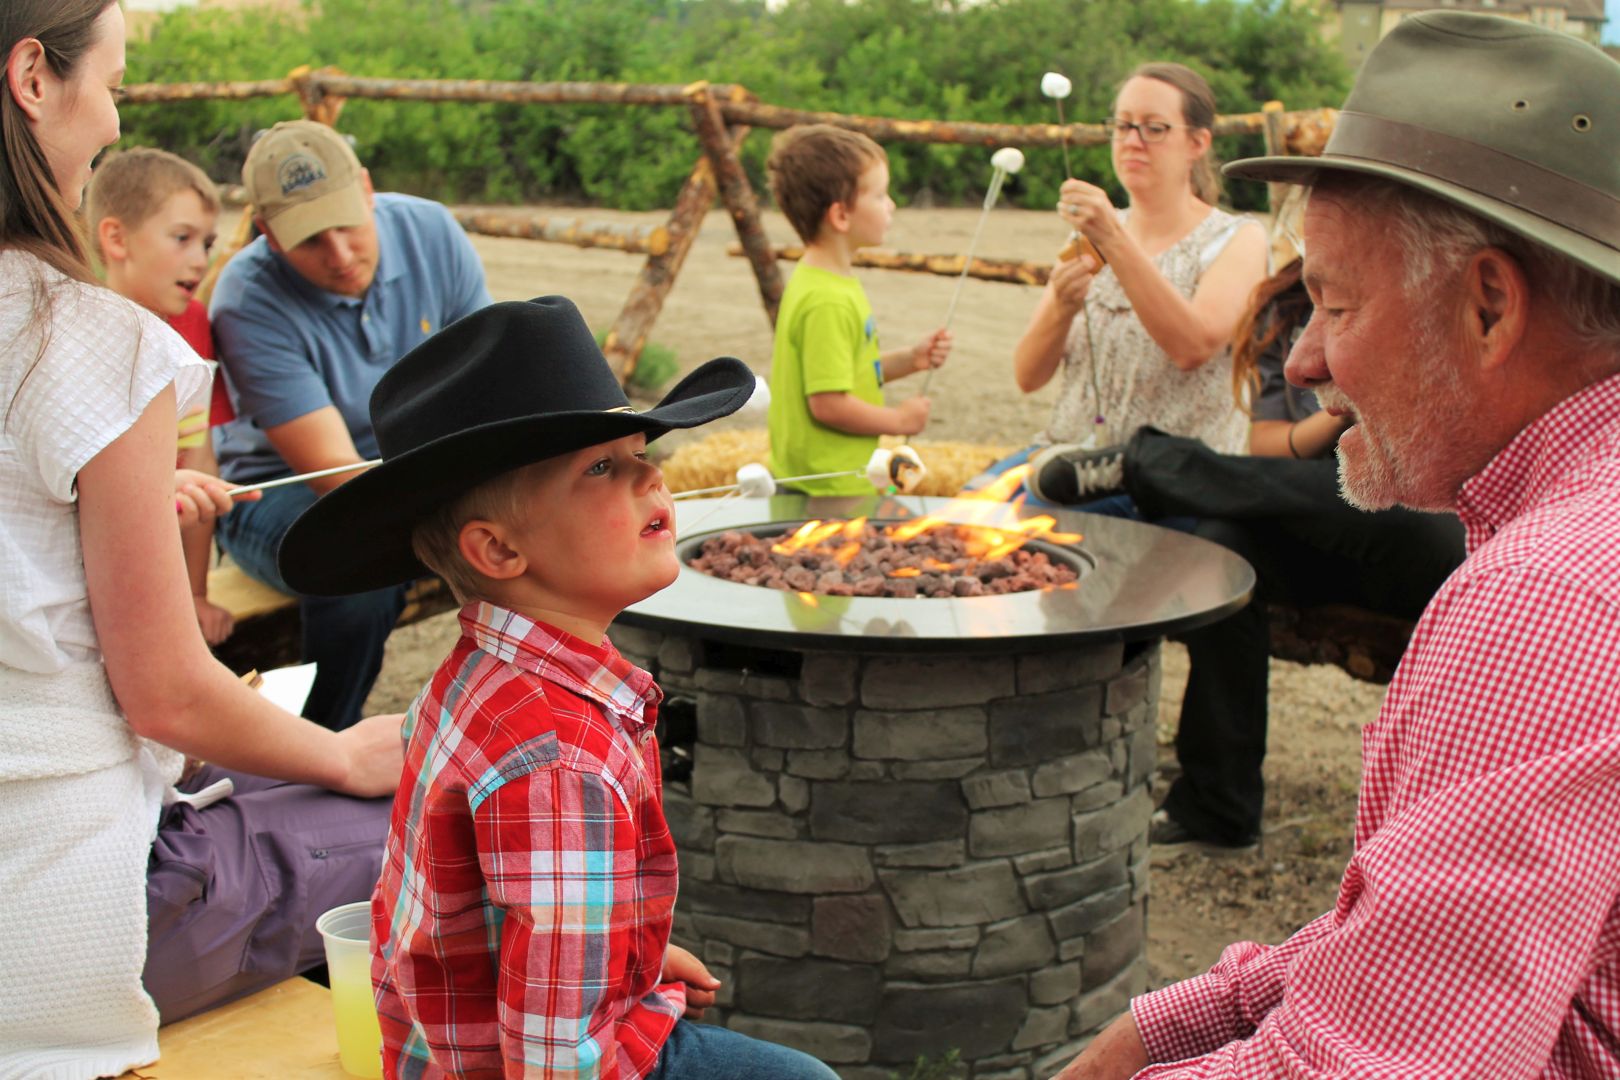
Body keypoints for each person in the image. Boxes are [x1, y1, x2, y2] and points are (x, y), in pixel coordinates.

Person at [1055, 13, 1620, 1077]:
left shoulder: (1546, 600)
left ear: (1489, 305)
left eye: (1336, 303)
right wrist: (1178, 1019)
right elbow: (1420, 933)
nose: (1304, 358)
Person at [277, 296, 840, 1079]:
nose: (652, 473)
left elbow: (503, 916)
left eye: (641, 449)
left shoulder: (476, 675)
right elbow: (554, 1057)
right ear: (500, 548)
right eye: (603, 467)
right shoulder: (558, 757)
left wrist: (624, 953)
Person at [0, 4, 404, 1076]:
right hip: (54, 929)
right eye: (115, 83)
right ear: (34, 78)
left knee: (295, 782)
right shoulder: (77, 341)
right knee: (432, 806)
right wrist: (344, 752)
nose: (111, 121)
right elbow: (165, 694)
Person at [1078, 249, 1465, 854]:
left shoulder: (1447, 296)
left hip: (1439, 543)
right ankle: (1219, 810)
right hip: (1320, 521)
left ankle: (1147, 465)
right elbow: (1266, 443)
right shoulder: (1292, 308)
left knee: (1384, 502)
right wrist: (1339, 410)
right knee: (1221, 549)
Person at [210, 119, 493, 731]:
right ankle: (323, 742)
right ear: (267, 234)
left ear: (367, 188)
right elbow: (341, 483)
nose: (339, 255)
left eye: (347, 224)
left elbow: (482, 390)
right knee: (356, 561)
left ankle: (514, 720)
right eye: (310, 239)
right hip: (279, 490)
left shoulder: (431, 232)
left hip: (411, 468)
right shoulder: (245, 298)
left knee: (535, 519)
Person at [980, 62, 1265, 514]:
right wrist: (1060, 304)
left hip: (1168, 486)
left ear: (1197, 142)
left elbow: (1193, 346)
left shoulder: (1237, 239)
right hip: (1062, 464)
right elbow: (1027, 376)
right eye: (1122, 125)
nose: (1133, 141)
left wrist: (1114, 237)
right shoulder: (1089, 235)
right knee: (959, 518)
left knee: (1017, 530)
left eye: (1154, 128)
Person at [86, 146, 239, 645]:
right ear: (116, 238)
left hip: (169, 561)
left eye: (207, 242)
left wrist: (195, 592)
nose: (201, 260)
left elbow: (200, 456)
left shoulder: (193, 322)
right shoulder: (84, 334)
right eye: (182, 239)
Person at [763, 124, 951, 496]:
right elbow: (828, 404)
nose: (891, 205)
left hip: (830, 483)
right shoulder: (827, 299)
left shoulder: (823, 280)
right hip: (824, 492)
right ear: (841, 216)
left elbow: (844, 373)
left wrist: (911, 359)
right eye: (880, 196)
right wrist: (899, 420)